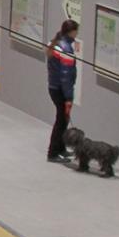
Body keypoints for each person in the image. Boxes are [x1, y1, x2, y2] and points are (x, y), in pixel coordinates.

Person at [46, 19, 80, 161]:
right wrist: (69, 98)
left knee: (62, 120)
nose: (77, 34)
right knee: (61, 121)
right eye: (76, 31)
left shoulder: (54, 43)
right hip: (61, 90)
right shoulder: (66, 49)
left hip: (53, 87)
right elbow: (66, 77)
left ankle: (61, 148)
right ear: (71, 32)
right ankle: (53, 153)